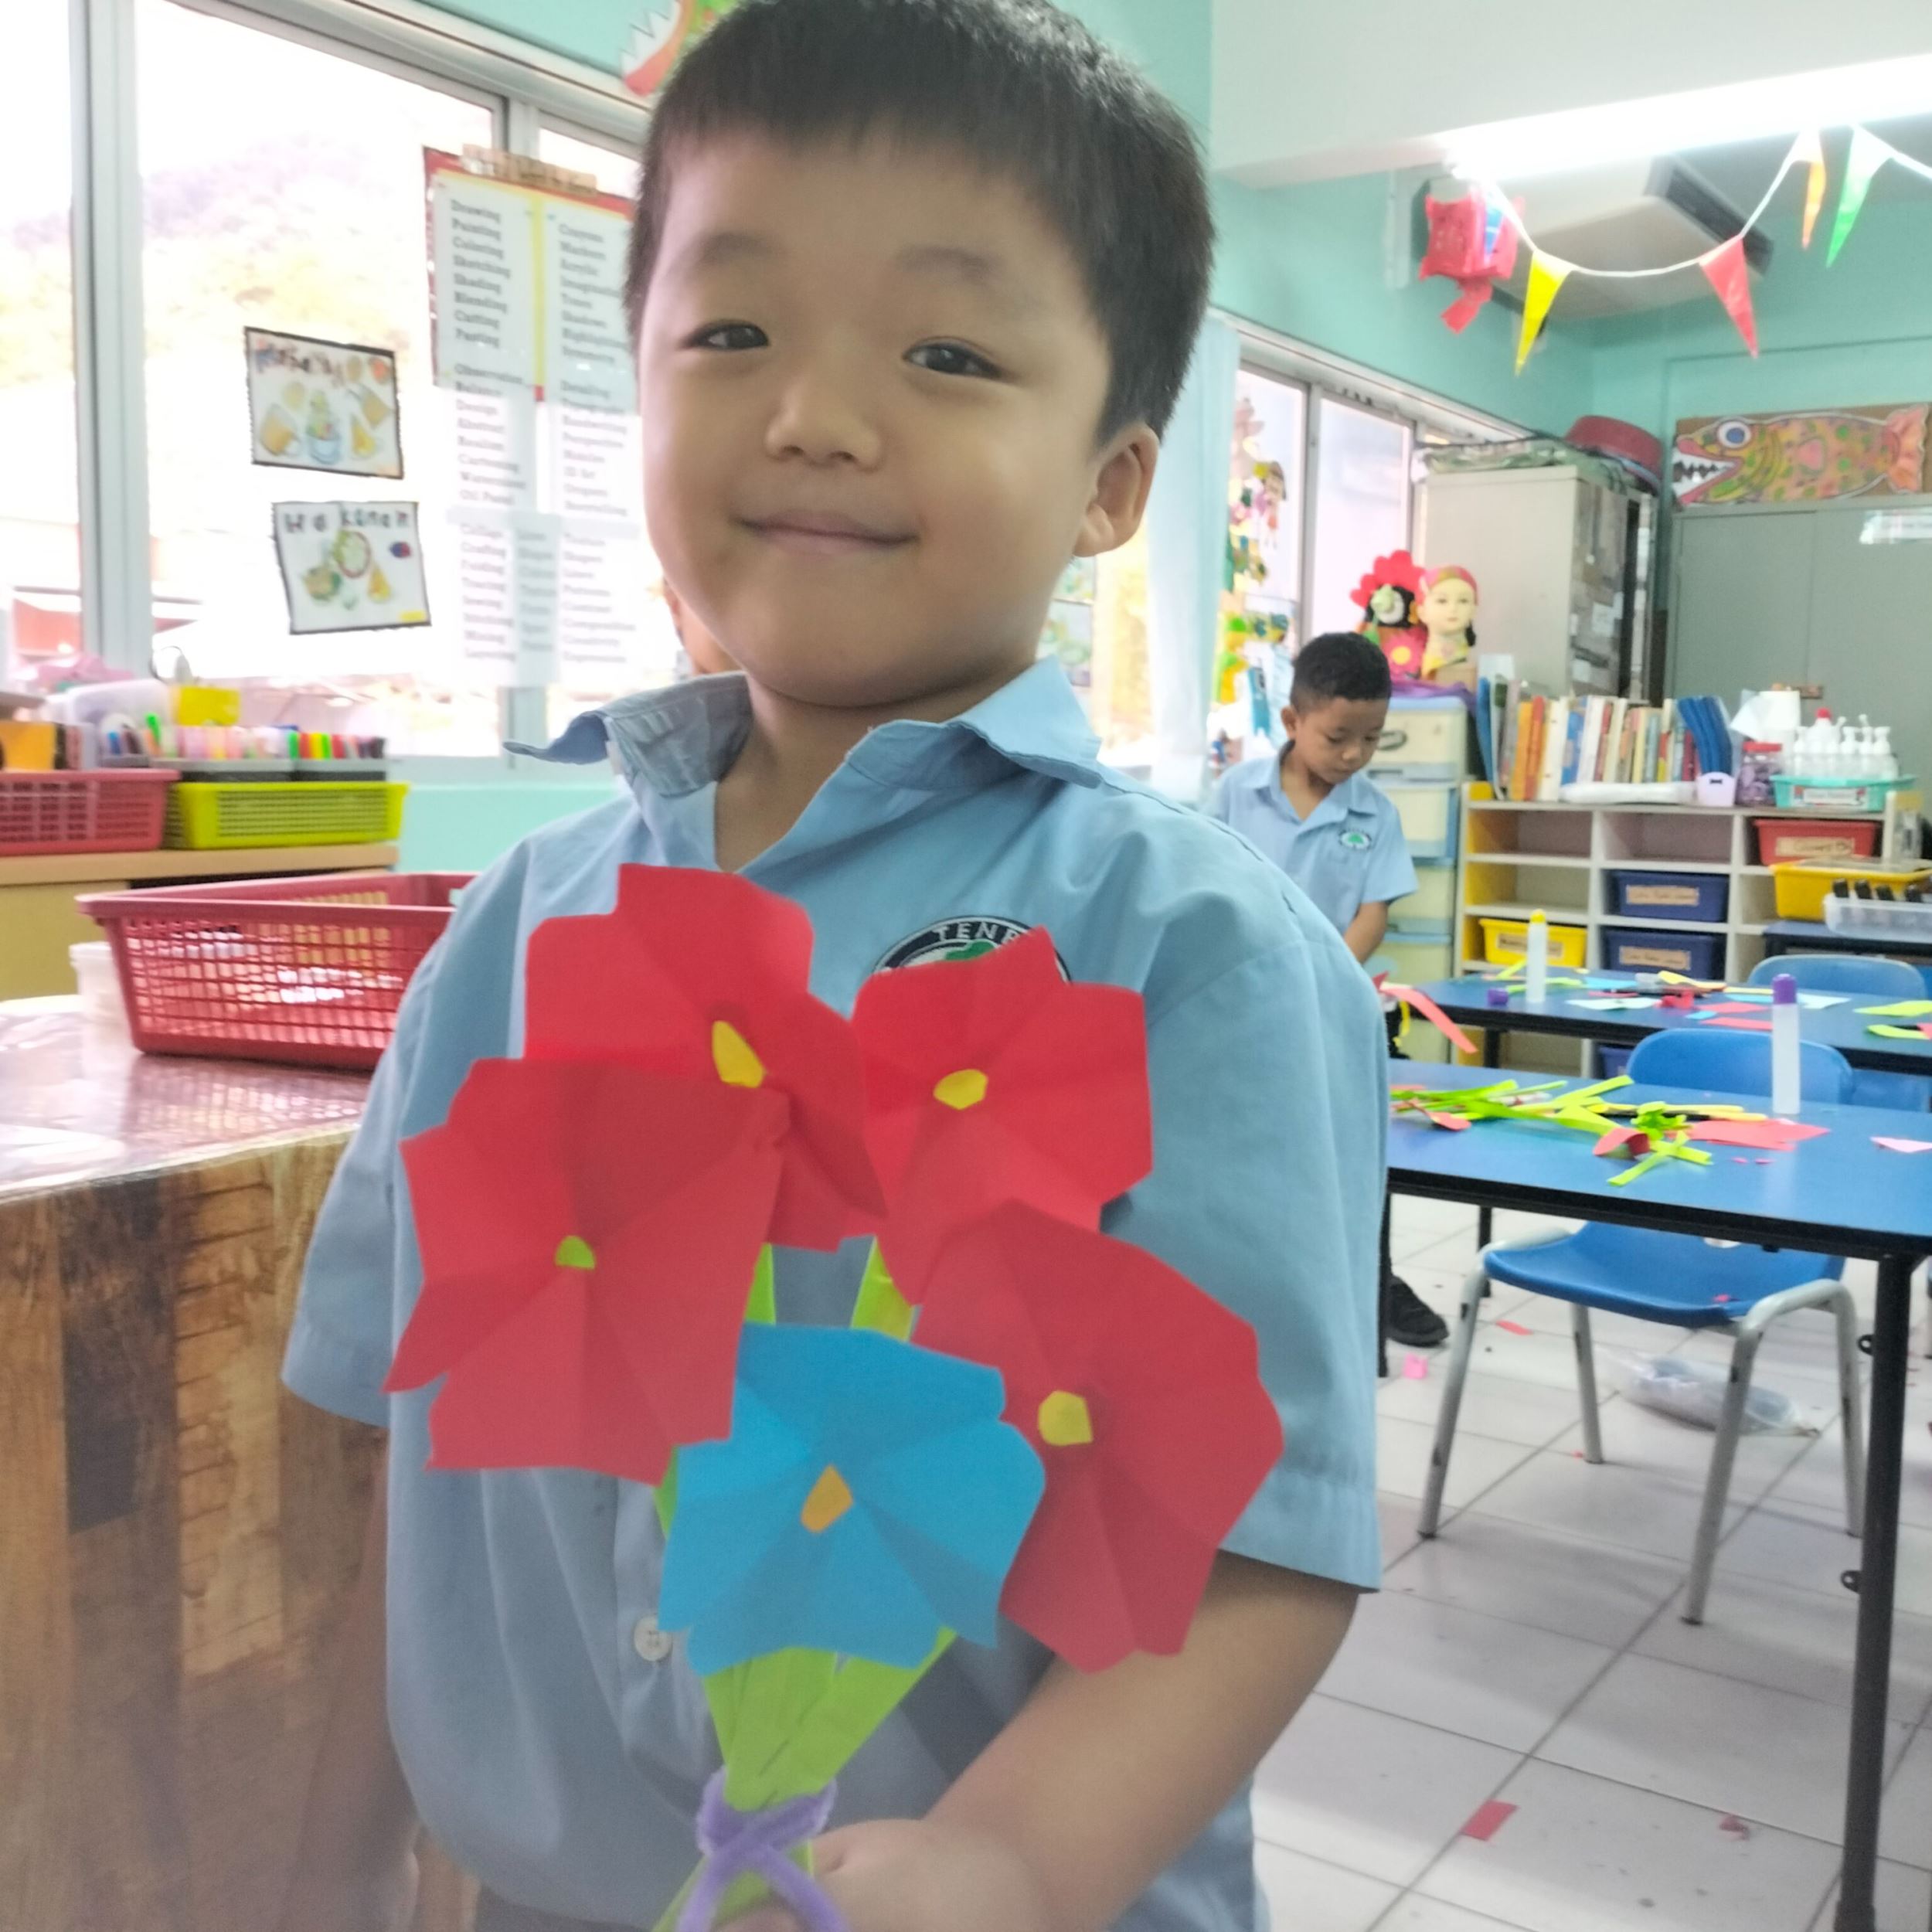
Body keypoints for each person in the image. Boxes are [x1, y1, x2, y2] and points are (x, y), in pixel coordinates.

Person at [277, 6, 1385, 1932]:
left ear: (1111, 482)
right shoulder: (506, 934)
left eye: (947, 353)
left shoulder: (1191, 949)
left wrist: (1013, 1856)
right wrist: (331, 1849)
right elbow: (406, 1438)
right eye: (731, 331)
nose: (814, 415)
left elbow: (1259, 1547)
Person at [1208, 632, 1447, 1351]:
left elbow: (1374, 913)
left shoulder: (1375, 814)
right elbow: (1209, 884)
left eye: (1371, 739)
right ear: (1292, 721)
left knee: (1357, 1155)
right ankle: (1251, 1286)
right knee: (1253, 1154)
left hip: (1339, 1006)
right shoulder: (1236, 794)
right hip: (1247, 1007)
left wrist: (1324, 971)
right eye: (1338, 738)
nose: (1353, 755)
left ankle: (1376, 1283)